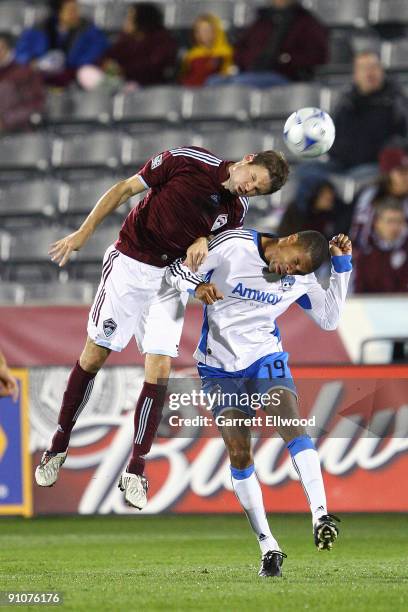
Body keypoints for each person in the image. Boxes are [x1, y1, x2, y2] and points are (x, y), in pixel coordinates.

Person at [34, 146, 290, 510]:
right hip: (130, 263)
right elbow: (124, 189)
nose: (250, 189)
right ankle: (58, 444)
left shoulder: (235, 212)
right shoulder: (188, 161)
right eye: (253, 180)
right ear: (247, 160)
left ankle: (136, 468)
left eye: (258, 191)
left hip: (169, 280)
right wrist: (83, 233)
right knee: (94, 356)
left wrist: (202, 254)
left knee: (160, 370)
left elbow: (207, 257)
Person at [165, 229, 352, 576]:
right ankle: (268, 546)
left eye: (299, 270)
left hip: (266, 357)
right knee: (239, 453)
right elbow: (176, 270)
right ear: (289, 239)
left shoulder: (302, 278)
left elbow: (329, 319)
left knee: (291, 425)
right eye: (294, 262)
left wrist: (342, 268)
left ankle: (321, 513)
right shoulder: (235, 246)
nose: (291, 271)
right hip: (219, 367)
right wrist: (195, 286)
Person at [213, 0, 328, 88]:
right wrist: (249, 61)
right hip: (253, 72)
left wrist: (286, 60)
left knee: (239, 85)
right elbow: (240, 49)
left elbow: (318, 55)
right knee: (214, 82)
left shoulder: (306, 21)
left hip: (286, 76)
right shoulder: (262, 20)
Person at [329, 51, 408, 177]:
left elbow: (402, 139)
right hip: (342, 164)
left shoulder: (395, 101)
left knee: (359, 174)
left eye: (374, 67)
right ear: (355, 75)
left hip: (377, 165)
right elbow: (333, 137)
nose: (370, 73)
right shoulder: (346, 101)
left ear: (382, 71)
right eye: (364, 68)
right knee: (307, 172)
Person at [14, 0, 108, 86]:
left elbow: (96, 51)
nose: (75, 14)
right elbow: (21, 52)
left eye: (76, 9)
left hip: (73, 74)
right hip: (41, 74)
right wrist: (32, 61)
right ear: (58, 13)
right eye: (70, 10)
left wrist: (70, 65)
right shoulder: (39, 28)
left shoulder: (89, 30)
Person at [102, 3, 177, 87]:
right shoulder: (126, 38)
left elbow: (153, 67)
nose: (126, 22)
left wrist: (123, 70)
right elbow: (110, 56)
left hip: (150, 87)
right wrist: (109, 64)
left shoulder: (162, 39)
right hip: (123, 83)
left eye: (130, 18)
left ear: (142, 20)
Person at [351, 146, 408, 250]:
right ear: (388, 174)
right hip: (371, 258)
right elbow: (359, 238)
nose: (406, 177)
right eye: (401, 172)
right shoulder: (371, 195)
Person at [354, 199, 408, 293]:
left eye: (399, 221)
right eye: (390, 221)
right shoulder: (365, 253)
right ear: (377, 223)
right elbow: (357, 291)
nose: (395, 227)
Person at [278, 176, 351, 241]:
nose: (330, 200)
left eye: (331, 196)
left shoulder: (334, 214)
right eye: (325, 196)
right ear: (313, 196)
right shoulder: (295, 214)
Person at [0, 34, 45, 132]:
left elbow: (36, 103)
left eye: (1, 47)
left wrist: (6, 120)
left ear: (9, 49)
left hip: (18, 131)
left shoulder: (25, 72)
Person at [180, 14, 233, 87]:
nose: (204, 34)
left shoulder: (225, 52)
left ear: (216, 31)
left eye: (207, 30)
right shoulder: (192, 54)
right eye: (200, 31)